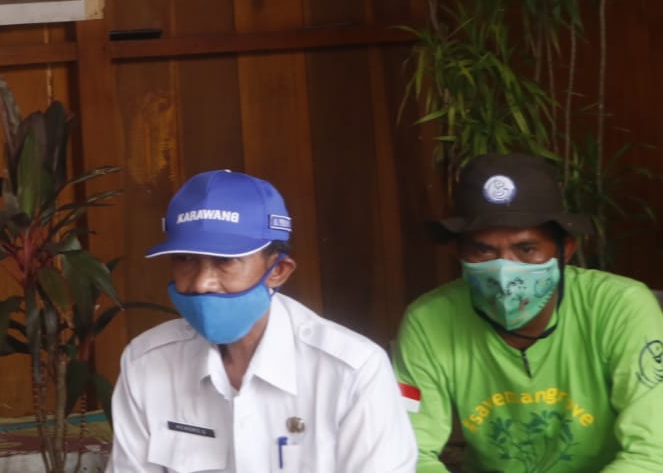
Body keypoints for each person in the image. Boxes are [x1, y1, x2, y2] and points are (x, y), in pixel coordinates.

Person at [109, 169, 417, 472]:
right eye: (185, 259)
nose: (202, 282)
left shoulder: (352, 371)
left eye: (225, 261)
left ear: (279, 271)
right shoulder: (146, 363)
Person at [394, 152, 663, 472]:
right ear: (459, 252)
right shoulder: (429, 321)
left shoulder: (621, 307)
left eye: (526, 249)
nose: (505, 270)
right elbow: (409, 452)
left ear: (565, 250)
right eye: (483, 250)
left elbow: (651, 451)